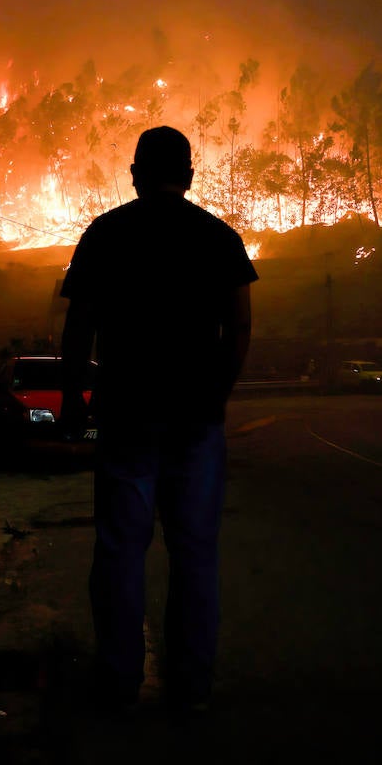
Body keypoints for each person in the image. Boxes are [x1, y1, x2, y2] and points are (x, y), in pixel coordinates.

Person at [59, 125, 257, 714]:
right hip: (196, 419)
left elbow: (79, 328)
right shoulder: (219, 238)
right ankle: (191, 684)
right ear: (190, 175)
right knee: (194, 552)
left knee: (121, 549)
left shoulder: (106, 234)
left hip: (126, 415)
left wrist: (75, 400)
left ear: (136, 174)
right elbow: (240, 327)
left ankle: (120, 679)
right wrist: (218, 390)